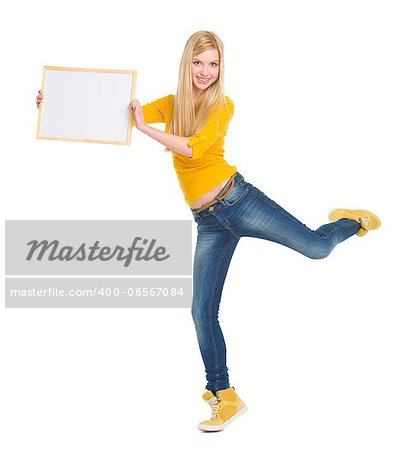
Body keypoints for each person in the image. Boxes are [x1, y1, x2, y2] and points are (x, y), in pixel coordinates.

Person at [36, 30, 381, 432]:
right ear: (188, 64)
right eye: (199, 63)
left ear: (221, 68)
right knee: (202, 310)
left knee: (318, 249)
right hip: (209, 221)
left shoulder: (223, 106)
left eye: (213, 64)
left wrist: (148, 130)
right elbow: (123, 117)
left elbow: (194, 149)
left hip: (239, 201)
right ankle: (225, 396)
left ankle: (350, 221)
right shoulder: (175, 103)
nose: (205, 71)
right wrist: (55, 106)